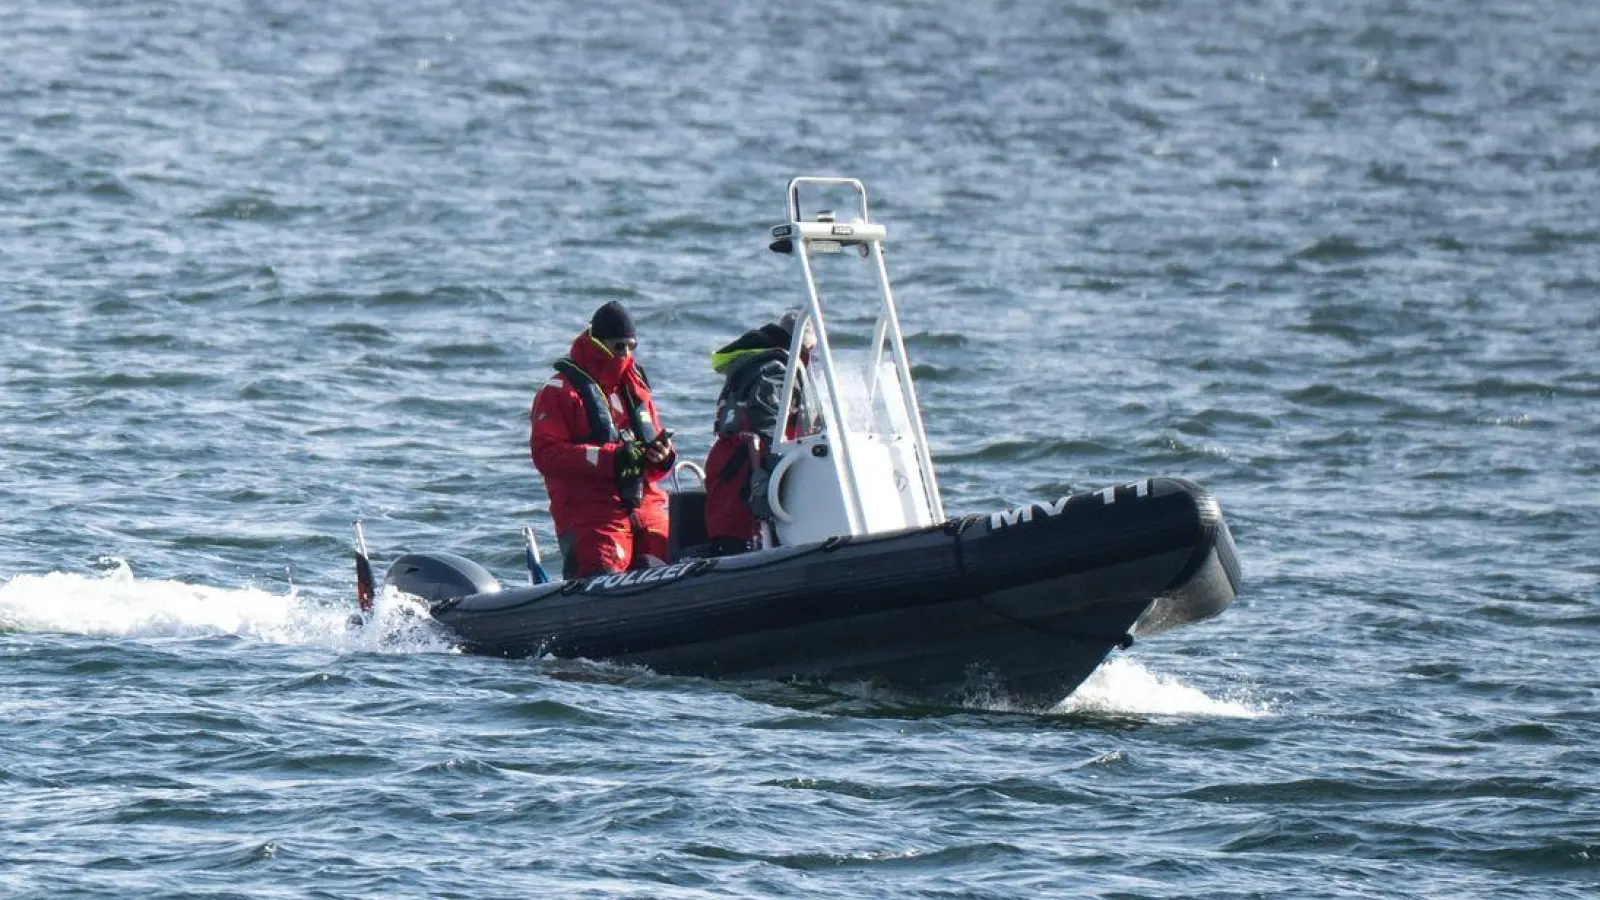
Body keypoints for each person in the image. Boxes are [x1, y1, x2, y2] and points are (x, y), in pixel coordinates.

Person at [530, 301, 676, 579]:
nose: (626, 354)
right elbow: (546, 454)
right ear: (600, 344)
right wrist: (611, 458)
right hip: (591, 511)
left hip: (645, 506)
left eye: (631, 346)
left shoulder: (635, 388)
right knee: (602, 565)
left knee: (673, 553)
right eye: (619, 346)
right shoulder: (559, 391)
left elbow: (655, 456)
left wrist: (662, 456)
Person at [702, 309, 815, 555]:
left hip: (728, 477)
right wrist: (772, 484)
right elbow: (770, 431)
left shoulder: (754, 365)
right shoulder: (777, 371)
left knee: (730, 542)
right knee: (742, 547)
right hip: (743, 484)